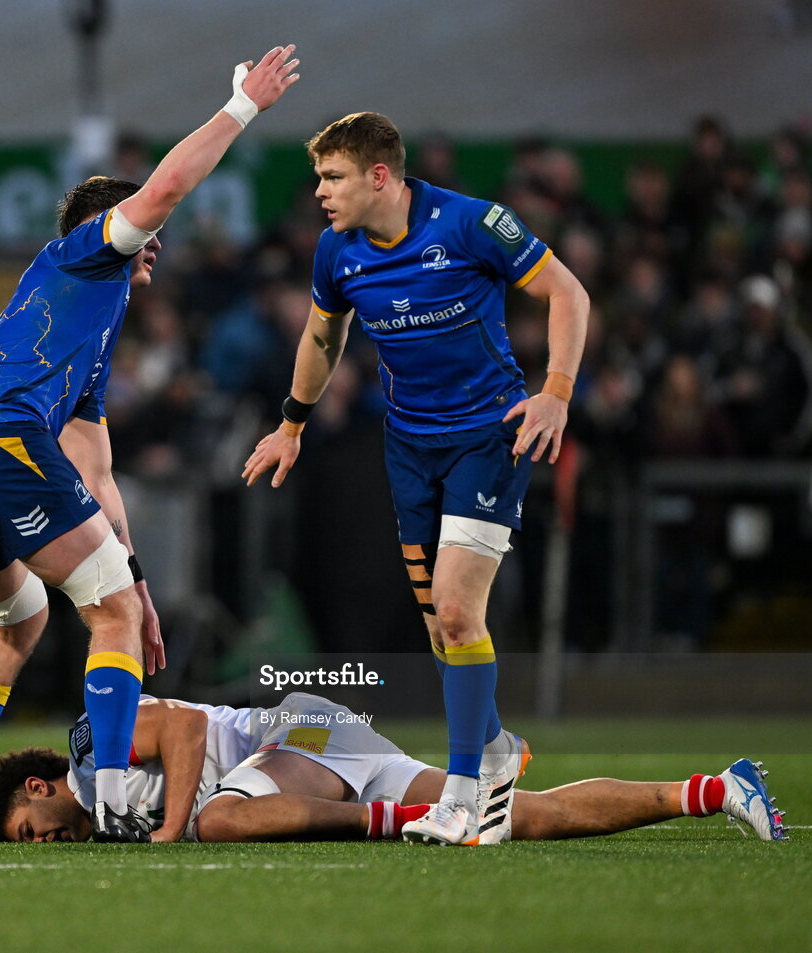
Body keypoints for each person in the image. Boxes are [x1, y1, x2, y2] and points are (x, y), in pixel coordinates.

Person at [0, 45, 301, 844]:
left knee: (17, 627)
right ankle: (120, 798)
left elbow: (93, 466)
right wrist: (244, 108)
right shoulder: (88, 253)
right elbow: (163, 188)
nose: (158, 234)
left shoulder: (92, 323)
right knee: (108, 617)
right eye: (145, 226)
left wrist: (136, 577)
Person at [241, 112, 590, 845]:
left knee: (460, 612)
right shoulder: (336, 252)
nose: (320, 193)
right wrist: (293, 423)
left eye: (332, 178)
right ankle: (493, 746)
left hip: (490, 438)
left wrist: (555, 391)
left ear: (379, 176)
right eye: (317, 179)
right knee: (441, 625)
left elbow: (568, 293)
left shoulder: (472, 224)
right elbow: (321, 334)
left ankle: (466, 796)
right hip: (408, 449)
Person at [0, 692, 789, 845]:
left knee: (217, 818)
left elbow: (183, 726)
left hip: (298, 732)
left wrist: (175, 828)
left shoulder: (89, 749)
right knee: (523, 815)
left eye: (26, 831)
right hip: (313, 757)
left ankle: (404, 824)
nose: (39, 844)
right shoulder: (97, 823)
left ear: (40, 788)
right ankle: (715, 788)